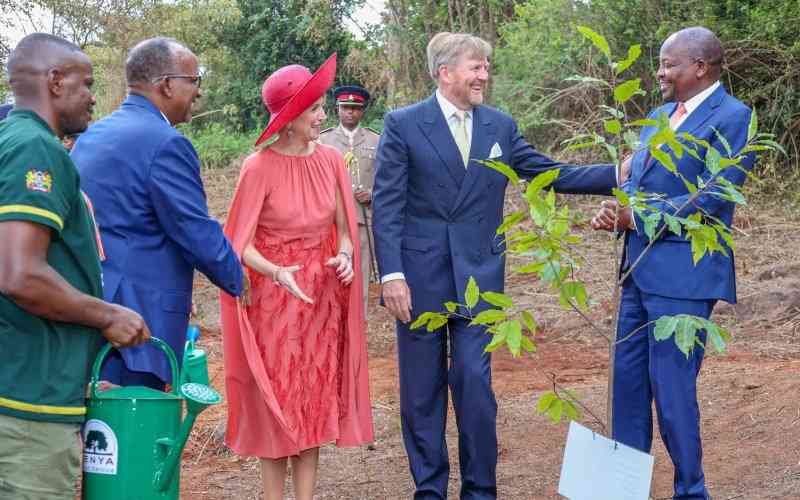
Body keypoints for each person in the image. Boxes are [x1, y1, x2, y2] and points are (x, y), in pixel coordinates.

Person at [372, 32, 618, 499]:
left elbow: (548, 172)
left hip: (479, 280)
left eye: (486, 66)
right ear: (445, 73)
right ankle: (430, 490)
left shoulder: (499, 127)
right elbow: (387, 205)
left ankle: (480, 490)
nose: (484, 75)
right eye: (475, 67)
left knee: (474, 387)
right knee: (421, 395)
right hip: (418, 281)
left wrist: (616, 175)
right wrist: (392, 275)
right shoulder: (403, 124)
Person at [590, 27, 755, 500]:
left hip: (685, 278)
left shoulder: (733, 117)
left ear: (700, 67)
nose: (659, 72)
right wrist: (616, 212)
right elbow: (639, 185)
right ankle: (622, 490)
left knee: (672, 390)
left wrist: (635, 215)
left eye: (669, 64)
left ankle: (691, 490)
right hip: (638, 270)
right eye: (660, 63)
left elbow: (715, 195)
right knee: (626, 388)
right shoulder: (659, 116)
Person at [0, 33, 149, 499]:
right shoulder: (34, 149)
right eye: (86, 85)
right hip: (29, 405)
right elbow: (20, 274)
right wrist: (107, 316)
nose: (92, 98)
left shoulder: (12, 138)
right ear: (55, 81)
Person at [220, 53, 373, 500]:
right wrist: (274, 271)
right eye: (315, 109)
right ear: (288, 120)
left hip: (319, 298)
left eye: (323, 106)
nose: (323, 115)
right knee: (279, 407)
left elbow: (345, 231)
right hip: (274, 299)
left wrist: (344, 256)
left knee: (312, 405)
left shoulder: (330, 161)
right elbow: (239, 242)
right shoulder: (258, 167)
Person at [70, 37, 245, 390]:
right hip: (139, 326)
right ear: (167, 85)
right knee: (137, 431)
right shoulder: (166, 143)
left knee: (102, 436)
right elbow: (194, 230)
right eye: (194, 81)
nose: (198, 92)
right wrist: (240, 279)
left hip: (90, 309)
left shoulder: (92, 135)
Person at [319, 85, 380, 310]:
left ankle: (358, 329)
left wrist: (372, 195)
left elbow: (387, 179)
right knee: (330, 273)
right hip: (330, 221)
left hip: (362, 220)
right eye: (345, 107)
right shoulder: (323, 141)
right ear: (337, 109)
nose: (350, 112)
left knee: (360, 277)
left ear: (362, 111)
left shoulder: (376, 141)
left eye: (355, 108)